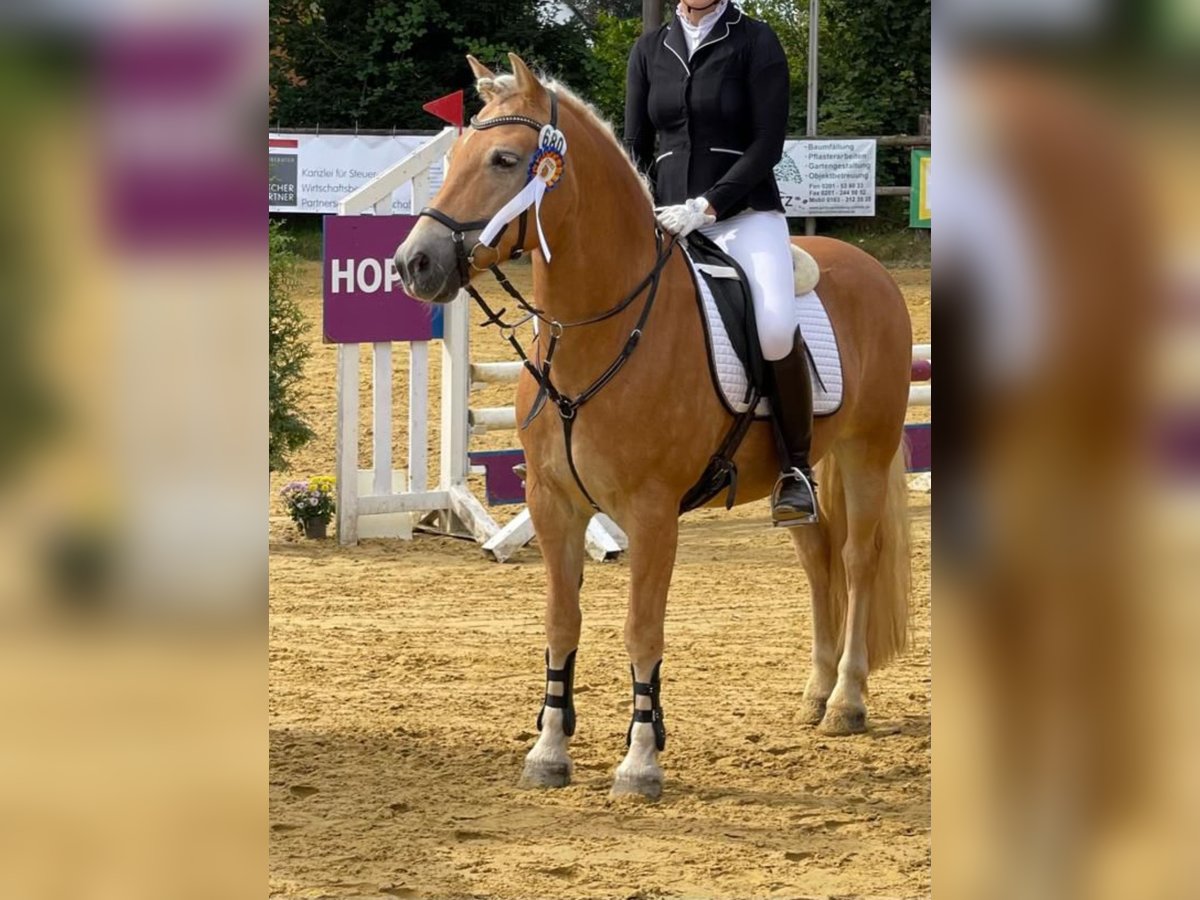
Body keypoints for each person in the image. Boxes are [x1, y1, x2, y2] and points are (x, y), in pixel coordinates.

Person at [624, 0, 817, 525]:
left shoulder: (756, 41)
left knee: (776, 328)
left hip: (742, 217)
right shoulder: (648, 50)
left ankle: (796, 469)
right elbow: (636, 145)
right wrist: (644, 211)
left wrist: (708, 205)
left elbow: (767, 145)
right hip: (665, 218)